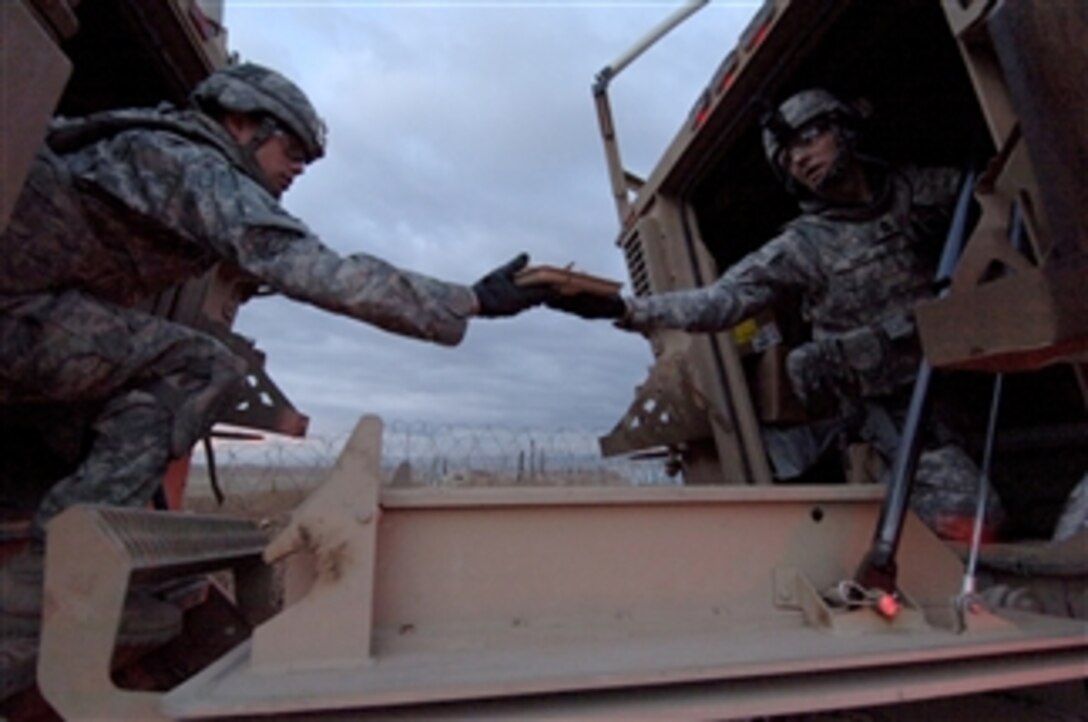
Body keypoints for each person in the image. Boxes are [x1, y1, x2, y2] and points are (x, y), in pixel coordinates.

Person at [0, 62, 547, 644]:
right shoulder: (188, 164)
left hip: (24, 314)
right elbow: (315, 269)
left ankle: (83, 556)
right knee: (199, 364)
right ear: (240, 122)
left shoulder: (151, 151)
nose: (296, 169)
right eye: (292, 149)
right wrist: (472, 301)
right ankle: (51, 585)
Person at [548, 88, 1004, 541]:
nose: (800, 160)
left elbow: (1006, 202)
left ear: (842, 128)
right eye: (786, 158)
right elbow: (720, 301)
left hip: (964, 379)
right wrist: (625, 307)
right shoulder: (803, 246)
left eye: (807, 140)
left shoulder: (929, 191)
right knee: (972, 516)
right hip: (894, 411)